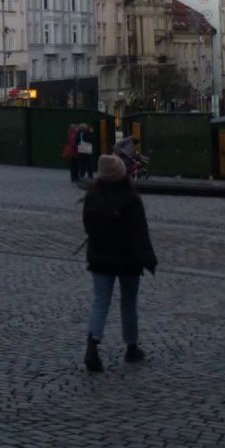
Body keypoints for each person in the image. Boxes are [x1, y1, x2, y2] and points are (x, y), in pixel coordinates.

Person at [81, 154, 157, 371]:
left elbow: (87, 227)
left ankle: (92, 346)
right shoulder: (131, 199)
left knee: (100, 303)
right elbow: (140, 234)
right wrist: (149, 259)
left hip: (99, 257)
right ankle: (132, 348)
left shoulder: (91, 196)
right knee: (128, 304)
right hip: (128, 259)